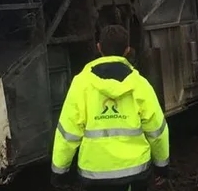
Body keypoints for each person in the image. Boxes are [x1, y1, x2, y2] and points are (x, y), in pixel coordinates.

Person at [51, 25, 170, 191]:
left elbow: (68, 132)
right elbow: (157, 130)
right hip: (135, 172)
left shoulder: (81, 83)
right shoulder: (140, 84)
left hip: (94, 174)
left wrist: (60, 171)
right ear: (127, 50)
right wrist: (162, 165)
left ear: (99, 47)